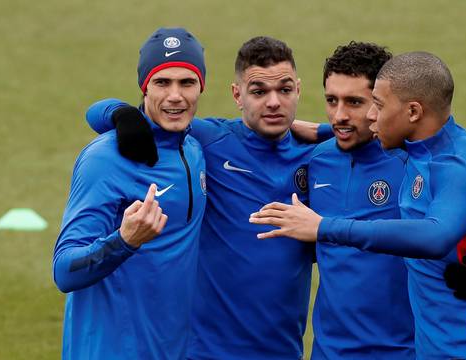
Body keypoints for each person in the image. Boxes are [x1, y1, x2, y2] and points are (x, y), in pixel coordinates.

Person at [250, 52, 466, 359]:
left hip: (454, 348)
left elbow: (451, 233)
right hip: (355, 351)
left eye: (368, 104)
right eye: (332, 101)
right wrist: (325, 130)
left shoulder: (440, 162)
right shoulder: (340, 156)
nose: (346, 115)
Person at [86, 36, 322, 360]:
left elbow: (370, 133)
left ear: (298, 89)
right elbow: (102, 113)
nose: (273, 103)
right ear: (237, 95)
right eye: (258, 91)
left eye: (284, 90)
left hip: (284, 350)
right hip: (205, 351)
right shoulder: (209, 141)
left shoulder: (319, 159)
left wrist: (325, 131)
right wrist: (121, 114)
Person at [52, 27, 207, 359]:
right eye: (162, 82)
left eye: (187, 82)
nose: (175, 96)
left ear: (201, 87)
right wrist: (124, 240)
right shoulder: (104, 158)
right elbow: (63, 270)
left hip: (171, 349)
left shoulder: (194, 148)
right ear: (144, 87)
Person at [308, 41, 415, 359]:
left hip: (401, 351)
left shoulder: (416, 165)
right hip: (328, 352)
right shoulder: (316, 161)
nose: (339, 115)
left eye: (354, 102)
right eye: (331, 100)